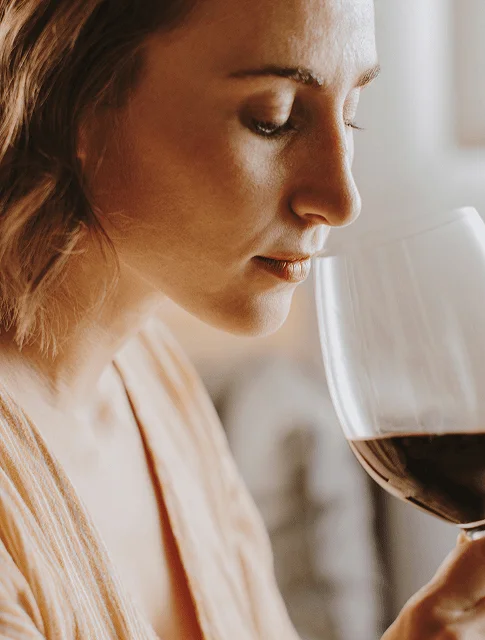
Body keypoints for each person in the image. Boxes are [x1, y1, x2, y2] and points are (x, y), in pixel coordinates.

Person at [0, 0, 484, 638]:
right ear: (69, 103)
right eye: (272, 119)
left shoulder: (153, 381)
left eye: (352, 114)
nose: (342, 200)